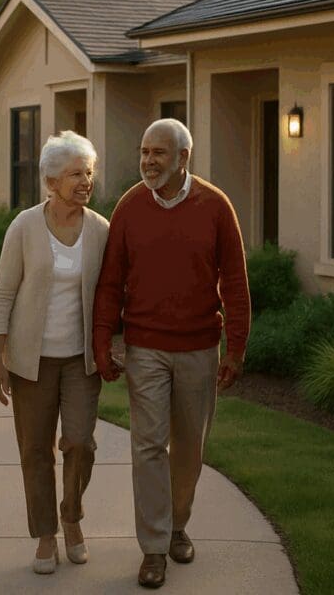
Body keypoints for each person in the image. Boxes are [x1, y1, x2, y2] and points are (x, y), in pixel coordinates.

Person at [93, 118, 250, 589]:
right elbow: (109, 284)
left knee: (189, 449)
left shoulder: (216, 206)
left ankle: (179, 521)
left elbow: (236, 284)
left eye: (158, 153)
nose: (148, 161)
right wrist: (104, 343)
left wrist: (235, 348)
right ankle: (155, 547)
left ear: (183, 158)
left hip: (200, 346)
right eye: (144, 152)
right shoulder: (129, 208)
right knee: (147, 447)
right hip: (145, 349)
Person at [0, 131, 110, 575]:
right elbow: (3, 294)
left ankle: (71, 517)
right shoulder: (23, 226)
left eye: (89, 173)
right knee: (35, 450)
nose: (85, 181)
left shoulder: (100, 230)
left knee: (80, 442)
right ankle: (44, 535)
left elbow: (113, 295)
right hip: (30, 362)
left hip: (81, 360)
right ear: (52, 180)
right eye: (76, 173)